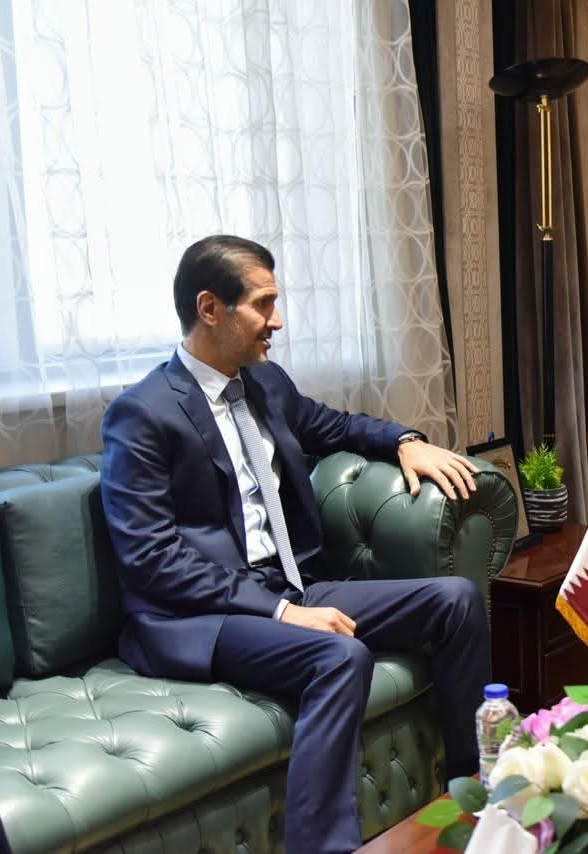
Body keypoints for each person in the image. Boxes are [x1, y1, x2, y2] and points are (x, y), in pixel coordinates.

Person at [100, 235, 489, 853]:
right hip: (200, 617)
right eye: (263, 304)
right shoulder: (142, 413)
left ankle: (476, 792)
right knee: (339, 656)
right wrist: (282, 612)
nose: (277, 320)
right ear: (210, 308)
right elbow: (151, 560)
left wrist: (404, 442)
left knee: (456, 600)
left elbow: (335, 425)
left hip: (291, 585)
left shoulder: (265, 384)